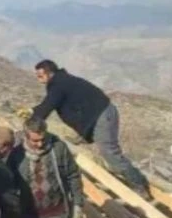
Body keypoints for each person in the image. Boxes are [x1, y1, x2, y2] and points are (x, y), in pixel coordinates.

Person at [30, 60, 148, 193]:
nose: (38, 79)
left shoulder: (58, 85)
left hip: (102, 116)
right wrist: (32, 111)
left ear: (49, 73)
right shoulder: (61, 81)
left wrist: (33, 121)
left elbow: (48, 105)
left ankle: (139, 184)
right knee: (106, 149)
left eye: (40, 76)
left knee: (110, 153)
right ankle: (86, 136)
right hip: (98, 115)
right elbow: (50, 104)